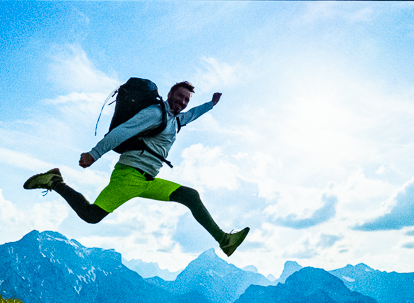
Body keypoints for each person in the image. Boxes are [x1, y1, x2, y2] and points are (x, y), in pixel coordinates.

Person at [25, 79, 249, 257]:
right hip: (129, 176)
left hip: (147, 181)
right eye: (179, 96)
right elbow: (122, 131)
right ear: (170, 94)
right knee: (92, 215)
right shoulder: (154, 113)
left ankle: (224, 241)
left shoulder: (175, 120)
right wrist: (94, 154)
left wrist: (211, 104)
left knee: (190, 195)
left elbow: (192, 115)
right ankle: (55, 181)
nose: (182, 103)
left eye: (186, 100)